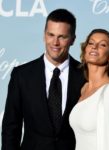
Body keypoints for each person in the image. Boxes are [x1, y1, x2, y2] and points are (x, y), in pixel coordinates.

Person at [1, 9, 85, 150]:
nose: (55, 43)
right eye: (51, 35)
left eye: (62, 37)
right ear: (44, 35)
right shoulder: (22, 75)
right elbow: (11, 127)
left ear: (73, 40)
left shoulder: (85, 75)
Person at [69, 29, 109, 150]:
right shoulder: (84, 88)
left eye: (102, 45)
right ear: (85, 50)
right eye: (91, 43)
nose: (95, 47)